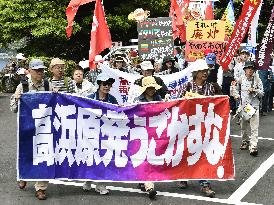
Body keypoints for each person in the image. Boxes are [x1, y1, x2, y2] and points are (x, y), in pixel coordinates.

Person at [10, 59, 51, 200]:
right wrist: (16, 99)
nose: (40, 73)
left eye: (42, 70)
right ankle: (24, 174)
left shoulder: (47, 85)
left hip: (44, 129)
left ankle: (40, 188)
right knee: (27, 154)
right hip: (26, 129)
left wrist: (56, 95)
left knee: (44, 156)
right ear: (30, 71)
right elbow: (13, 109)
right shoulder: (22, 87)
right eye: (37, 70)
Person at [176, 59, 217, 198]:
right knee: (186, 151)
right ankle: (183, 176)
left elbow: (215, 104)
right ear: (196, 73)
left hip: (204, 124)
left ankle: (204, 183)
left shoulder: (210, 87)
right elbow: (176, 103)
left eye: (206, 71)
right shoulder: (186, 86)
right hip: (187, 124)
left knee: (202, 153)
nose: (205, 73)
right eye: (202, 71)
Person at [83, 73, 118, 195]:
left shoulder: (112, 100)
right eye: (104, 84)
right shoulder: (90, 97)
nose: (107, 86)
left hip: (106, 134)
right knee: (91, 158)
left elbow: (117, 115)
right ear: (99, 85)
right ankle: (87, 179)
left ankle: (100, 184)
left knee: (104, 158)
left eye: (109, 84)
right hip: (91, 133)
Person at [134, 76, 161, 199]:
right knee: (143, 157)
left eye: (153, 87)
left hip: (155, 133)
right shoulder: (137, 100)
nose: (152, 90)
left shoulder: (159, 98)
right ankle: (148, 185)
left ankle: (146, 183)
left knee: (149, 157)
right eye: (149, 87)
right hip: (141, 133)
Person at [231, 61, 264, 156]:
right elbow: (234, 88)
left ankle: (253, 146)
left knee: (254, 128)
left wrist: (255, 90)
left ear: (254, 70)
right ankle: (245, 141)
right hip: (244, 107)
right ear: (244, 70)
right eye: (248, 68)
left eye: (251, 68)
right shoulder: (240, 79)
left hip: (254, 107)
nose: (250, 70)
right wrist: (236, 95)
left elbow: (262, 93)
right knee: (243, 127)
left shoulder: (258, 80)